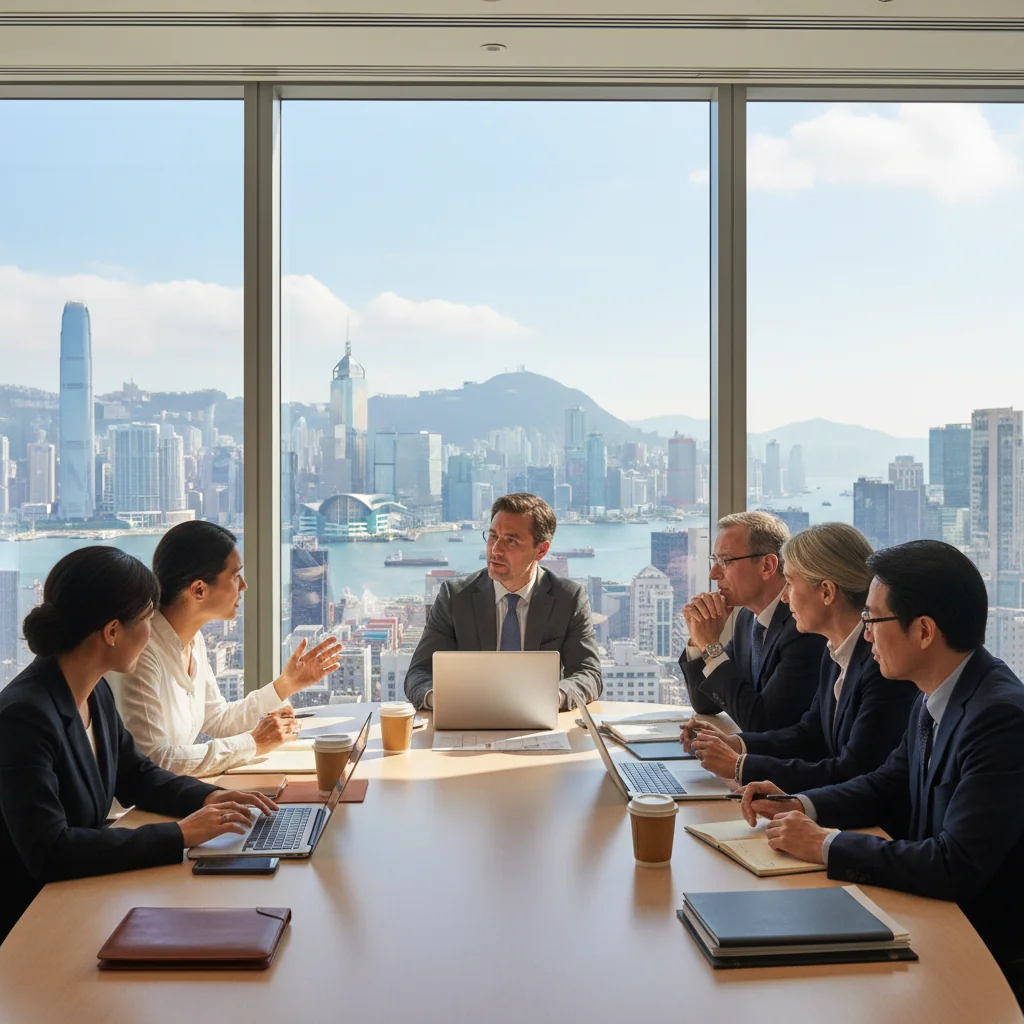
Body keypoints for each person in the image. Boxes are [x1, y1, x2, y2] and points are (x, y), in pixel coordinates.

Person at [739, 540, 1024, 1003]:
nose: (865, 633)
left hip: (979, 957)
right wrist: (801, 804)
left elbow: (956, 866)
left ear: (925, 631)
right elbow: (887, 784)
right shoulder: (932, 693)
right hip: (924, 918)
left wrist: (825, 844)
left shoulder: (999, 718)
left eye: (873, 619)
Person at [0, 547, 276, 944]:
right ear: (112, 632)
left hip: (82, 899)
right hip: (33, 925)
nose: (152, 634)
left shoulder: (94, 691)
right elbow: (50, 850)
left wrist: (212, 798)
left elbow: (136, 775)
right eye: (147, 620)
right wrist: (179, 835)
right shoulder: (24, 716)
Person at [684, 523, 917, 798]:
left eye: (791, 583)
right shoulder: (835, 652)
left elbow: (854, 769)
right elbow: (809, 734)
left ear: (827, 592)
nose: (783, 595)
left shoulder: (882, 666)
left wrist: (740, 766)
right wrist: (736, 744)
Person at [108, 521, 342, 777]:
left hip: (170, 795)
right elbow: (154, 761)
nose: (244, 586)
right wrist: (254, 743)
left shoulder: (193, 640)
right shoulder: (142, 652)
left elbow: (217, 718)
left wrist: (286, 684)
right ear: (199, 589)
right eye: (234, 576)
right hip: (130, 814)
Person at [404, 493, 602, 711]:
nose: (495, 550)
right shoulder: (455, 597)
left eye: (511, 541)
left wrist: (554, 697)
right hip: (467, 720)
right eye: (492, 536)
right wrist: (440, 700)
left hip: (540, 721)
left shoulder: (568, 598)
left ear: (541, 550)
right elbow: (418, 673)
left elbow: (589, 674)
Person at [680, 511, 826, 731]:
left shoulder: (803, 627)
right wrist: (698, 642)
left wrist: (711, 647)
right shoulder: (748, 618)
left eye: (725, 561)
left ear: (767, 566)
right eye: (714, 560)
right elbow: (706, 703)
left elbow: (763, 722)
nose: (713, 574)